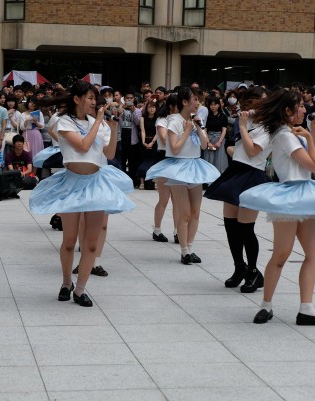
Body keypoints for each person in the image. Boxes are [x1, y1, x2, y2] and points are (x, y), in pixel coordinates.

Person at [239, 89, 315, 326]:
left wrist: (313, 134)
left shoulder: (294, 133)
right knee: (281, 254)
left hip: (304, 193)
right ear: (288, 111)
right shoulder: (284, 135)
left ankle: (306, 308)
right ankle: (266, 305)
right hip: (290, 195)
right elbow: (311, 166)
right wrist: (311, 137)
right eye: (300, 106)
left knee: (314, 252)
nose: (304, 109)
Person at [29, 81, 134, 307]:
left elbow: (109, 153)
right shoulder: (65, 122)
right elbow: (84, 146)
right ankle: (66, 282)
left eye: (95, 99)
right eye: (89, 98)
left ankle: (80, 289)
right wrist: (98, 122)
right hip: (71, 184)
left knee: (92, 243)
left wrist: (113, 128)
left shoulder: (100, 124)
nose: (93, 102)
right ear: (76, 99)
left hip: (96, 183)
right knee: (69, 241)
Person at [204, 87, 270, 293]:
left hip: (252, 174)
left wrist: (241, 126)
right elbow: (235, 148)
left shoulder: (269, 126)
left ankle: (253, 272)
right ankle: (239, 267)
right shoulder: (247, 121)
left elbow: (252, 151)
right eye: (261, 101)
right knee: (230, 225)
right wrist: (241, 128)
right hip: (236, 171)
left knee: (246, 228)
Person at [146, 87, 221, 264]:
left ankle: (191, 247)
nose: (198, 103)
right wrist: (187, 129)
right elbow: (174, 148)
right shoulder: (174, 121)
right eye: (195, 99)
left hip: (194, 166)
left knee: (195, 212)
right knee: (185, 213)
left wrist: (198, 127)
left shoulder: (197, 120)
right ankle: (184, 251)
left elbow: (204, 146)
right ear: (185, 102)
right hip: (178, 168)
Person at [151, 94, 179, 243]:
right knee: (164, 198)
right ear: (171, 106)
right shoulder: (162, 120)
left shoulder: (181, 120)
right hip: (164, 157)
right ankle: (157, 229)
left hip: (177, 159)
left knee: (177, 199)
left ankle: (177, 231)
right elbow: (163, 139)